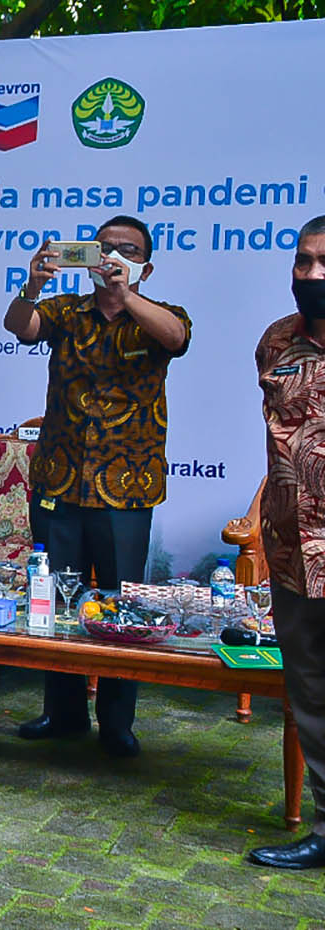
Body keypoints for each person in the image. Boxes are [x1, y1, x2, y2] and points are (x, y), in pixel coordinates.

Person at [3, 216, 191, 757]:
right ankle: (61, 713)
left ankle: (116, 722)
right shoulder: (66, 312)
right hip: (59, 482)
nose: (111, 255)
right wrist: (33, 284)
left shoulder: (162, 315)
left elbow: (176, 340)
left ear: (145, 266)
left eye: (125, 250)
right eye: (103, 248)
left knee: (120, 607)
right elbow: (21, 325)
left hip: (126, 489)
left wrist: (124, 294)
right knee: (58, 599)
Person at [246, 214, 325, 871]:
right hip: (295, 550)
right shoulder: (276, 342)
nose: (313, 275)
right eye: (304, 262)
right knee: (312, 691)